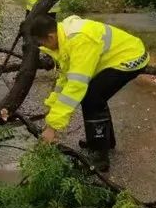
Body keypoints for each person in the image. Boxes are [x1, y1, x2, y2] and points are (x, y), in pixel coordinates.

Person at [28, 14, 149, 172]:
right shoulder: (64, 40)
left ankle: (100, 157)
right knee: (93, 95)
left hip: (131, 57)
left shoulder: (80, 40)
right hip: (114, 58)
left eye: (41, 42)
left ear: (50, 37)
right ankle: (104, 141)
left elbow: (75, 86)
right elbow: (65, 79)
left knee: (92, 97)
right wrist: (51, 108)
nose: (41, 46)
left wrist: (52, 127)